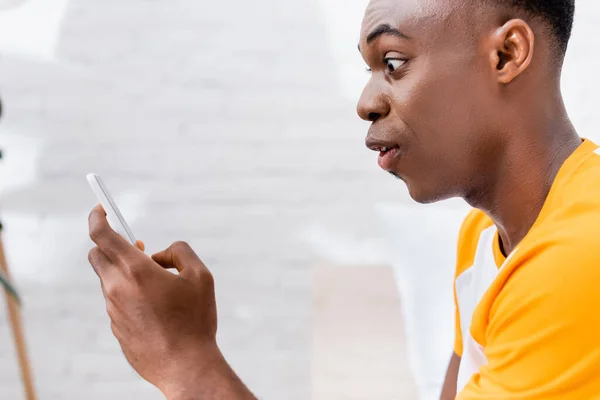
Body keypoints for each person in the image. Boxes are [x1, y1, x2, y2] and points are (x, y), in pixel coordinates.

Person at [87, 0, 600, 398]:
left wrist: (186, 361)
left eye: (394, 63)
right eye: (370, 69)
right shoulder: (487, 234)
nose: (365, 102)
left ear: (506, 55)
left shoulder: (577, 258)